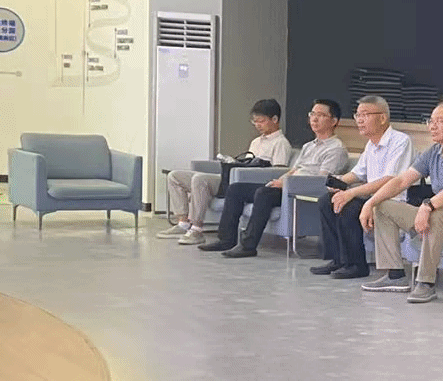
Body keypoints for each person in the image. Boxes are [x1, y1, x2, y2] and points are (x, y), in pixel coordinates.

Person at [358, 103, 443, 304]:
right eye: (430, 121)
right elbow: (401, 180)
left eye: (439, 121)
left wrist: (427, 206)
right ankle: (395, 275)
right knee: (383, 206)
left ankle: (426, 283)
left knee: (435, 217)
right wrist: (370, 202)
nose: (432, 126)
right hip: (436, 211)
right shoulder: (434, 151)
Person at [198, 99, 350, 256]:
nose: (314, 119)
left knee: (263, 193)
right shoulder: (309, 146)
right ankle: (226, 240)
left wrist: (286, 184)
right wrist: (280, 180)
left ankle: (248, 246)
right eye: (312, 114)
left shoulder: (336, 149)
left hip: (302, 191)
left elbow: (321, 180)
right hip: (288, 185)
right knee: (236, 189)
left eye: (321, 115)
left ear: (334, 121)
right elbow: (294, 170)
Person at [307, 96, 414, 280]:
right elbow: (357, 174)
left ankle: (356, 265)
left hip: (393, 200)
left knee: (349, 207)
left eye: (365, 115)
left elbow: (390, 180)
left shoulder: (400, 141)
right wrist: (338, 183)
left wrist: (351, 192)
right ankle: (338, 259)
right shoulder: (371, 144)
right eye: (357, 115)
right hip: (371, 197)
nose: (359, 120)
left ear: (382, 118)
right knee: (327, 201)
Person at [159, 98, 290, 245]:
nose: (258, 125)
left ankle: (196, 229)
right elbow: (247, 163)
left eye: (261, 121)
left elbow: (278, 172)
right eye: (255, 121)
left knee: (200, 179)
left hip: (244, 182)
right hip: (232, 176)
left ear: (274, 119)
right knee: (175, 176)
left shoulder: (281, 143)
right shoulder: (256, 142)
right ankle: (183, 223)